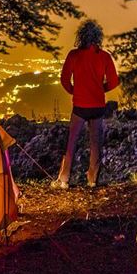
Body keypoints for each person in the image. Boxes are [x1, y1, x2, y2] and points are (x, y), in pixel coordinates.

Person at [51, 19, 119, 189]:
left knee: (72, 142)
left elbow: (64, 80)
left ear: (81, 36)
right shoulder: (104, 57)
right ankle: (92, 179)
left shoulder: (74, 55)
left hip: (80, 106)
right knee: (95, 143)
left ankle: (64, 178)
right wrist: (101, 89)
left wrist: (74, 91)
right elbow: (114, 81)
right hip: (97, 106)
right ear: (98, 37)